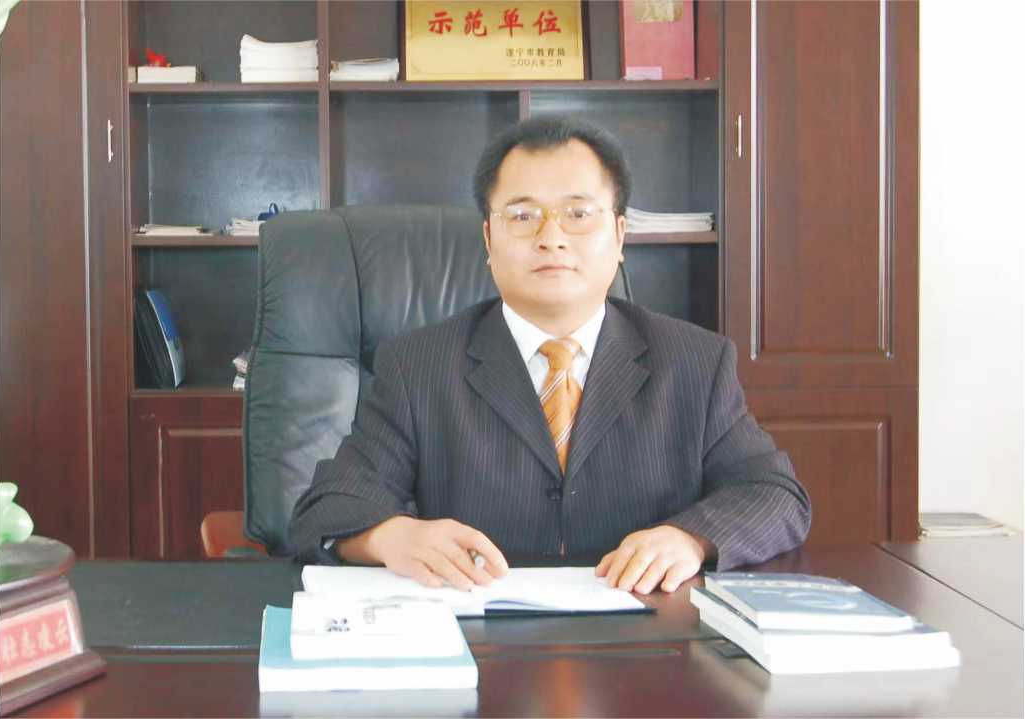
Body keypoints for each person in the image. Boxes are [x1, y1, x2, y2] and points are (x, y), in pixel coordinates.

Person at [289, 117, 811, 594]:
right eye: (523, 216)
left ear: (620, 235)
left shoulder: (694, 362)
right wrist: (394, 537)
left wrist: (691, 539)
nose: (551, 238)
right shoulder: (418, 366)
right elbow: (327, 507)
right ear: (489, 239)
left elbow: (774, 494)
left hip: (647, 639)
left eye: (578, 214)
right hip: (480, 637)